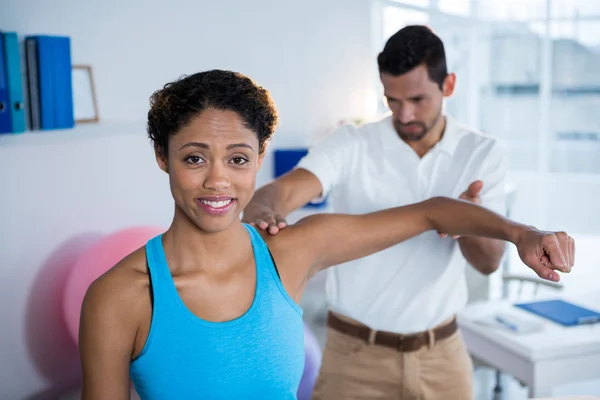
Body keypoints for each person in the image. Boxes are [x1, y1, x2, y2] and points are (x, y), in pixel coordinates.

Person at [78, 69, 574, 400]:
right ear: (163, 158)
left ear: (256, 161)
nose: (217, 180)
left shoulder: (289, 254)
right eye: (193, 158)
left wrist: (522, 233)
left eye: (238, 159)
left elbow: (430, 213)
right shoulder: (118, 297)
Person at [241, 25, 558, 399]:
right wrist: (263, 211)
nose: (404, 114)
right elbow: (282, 192)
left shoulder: (481, 153)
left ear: (449, 85)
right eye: (392, 99)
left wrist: (467, 221)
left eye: (418, 99)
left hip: (442, 356)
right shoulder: (352, 144)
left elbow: (488, 263)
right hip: (354, 356)